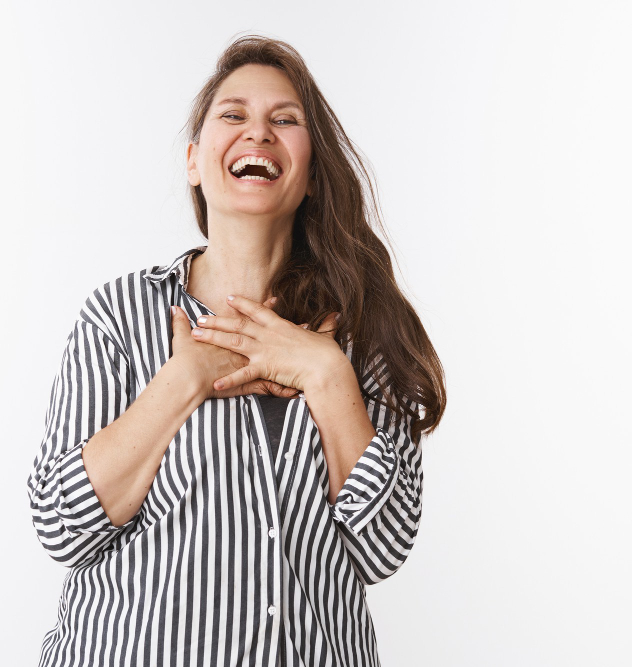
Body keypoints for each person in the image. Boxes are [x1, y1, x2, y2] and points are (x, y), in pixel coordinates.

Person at [27, 34, 446, 667]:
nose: (258, 134)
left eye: (285, 120)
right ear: (195, 161)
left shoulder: (358, 332)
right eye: (233, 115)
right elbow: (62, 527)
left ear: (309, 174)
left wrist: (326, 375)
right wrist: (182, 381)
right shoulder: (117, 315)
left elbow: (384, 548)